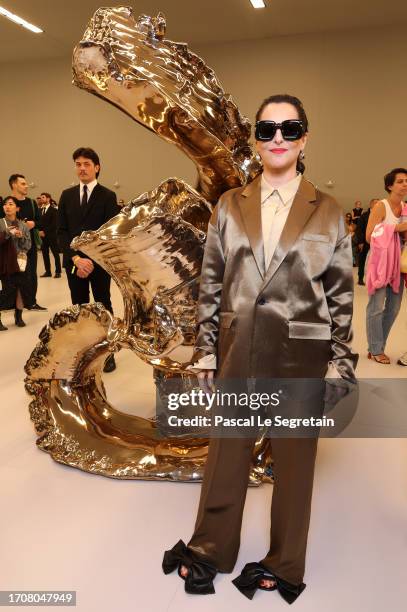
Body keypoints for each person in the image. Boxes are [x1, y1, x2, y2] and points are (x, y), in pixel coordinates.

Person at [162, 94, 358, 602]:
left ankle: (285, 560)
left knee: (294, 466)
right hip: (237, 349)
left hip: (302, 356)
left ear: (304, 138)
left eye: (289, 129)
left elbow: (340, 294)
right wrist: (205, 348)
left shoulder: (329, 211)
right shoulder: (230, 205)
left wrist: (340, 361)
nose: (277, 138)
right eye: (267, 129)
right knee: (226, 456)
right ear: (255, 137)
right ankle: (210, 547)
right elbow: (210, 281)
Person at [57, 147, 120, 373]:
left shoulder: (107, 196)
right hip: (75, 264)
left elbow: (108, 233)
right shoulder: (67, 195)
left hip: (99, 263)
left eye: (86, 164)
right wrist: (75, 258)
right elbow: (62, 231)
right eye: (78, 164)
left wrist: (90, 259)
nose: (81, 168)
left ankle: (108, 350)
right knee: (80, 307)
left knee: (103, 304)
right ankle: (84, 350)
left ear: (97, 167)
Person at [365, 168, 407, 364]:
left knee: (393, 308)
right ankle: (376, 349)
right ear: (390, 186)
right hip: (379, 262)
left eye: (406, 181)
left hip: (398, 264)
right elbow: (368, 236)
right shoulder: (381, 206)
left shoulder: (406, 208)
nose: (405, 184)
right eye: (400, 181)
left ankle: (376, 346)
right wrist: (396, 228)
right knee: (375, 307)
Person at [3, 174, 46, 311]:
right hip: (9, 247)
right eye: (23, 183)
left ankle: (31, 302)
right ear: (14, 185)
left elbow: (41, 221)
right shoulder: (6, 203)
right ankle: (11, 303)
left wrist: (33, 223)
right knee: (10, 275)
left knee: (30, 273)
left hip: (28, 245)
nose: (26, 186)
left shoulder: (32, 203)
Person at [0, 196, 31, 330]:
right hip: (4, 262)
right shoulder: (1, 223)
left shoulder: (23, 225)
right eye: (5, 204)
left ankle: (18, 316)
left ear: (17, 208)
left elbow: (28, 245)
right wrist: (7, 233)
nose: (7, 206)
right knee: (7, 291)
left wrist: (21, 237)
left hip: (19, 262)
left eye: (11, 204)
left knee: (20, 289)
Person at [355, 199, 379, 285]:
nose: (378, 204)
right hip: (365, 242)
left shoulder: (381, 215)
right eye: (376, 203)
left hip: (378, 242)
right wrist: (360, 242)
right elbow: (359, 229)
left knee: (377, 261)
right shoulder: (364, 215)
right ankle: (360, 278)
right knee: (362, 259)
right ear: (371, 204)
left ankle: (375, 278)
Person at [39, 192, 61, 278]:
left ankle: (58, 271)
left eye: (43, 197)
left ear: (48, 198)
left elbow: (54, 224)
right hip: (42, 236)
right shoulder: (39, 210)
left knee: (55, 254)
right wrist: (39, 231)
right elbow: (39, 222)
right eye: (41, 198)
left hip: (51, 235)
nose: (41, 199)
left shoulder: (54, 210)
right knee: (45, 254)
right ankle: (48, 271)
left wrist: (44, 231)